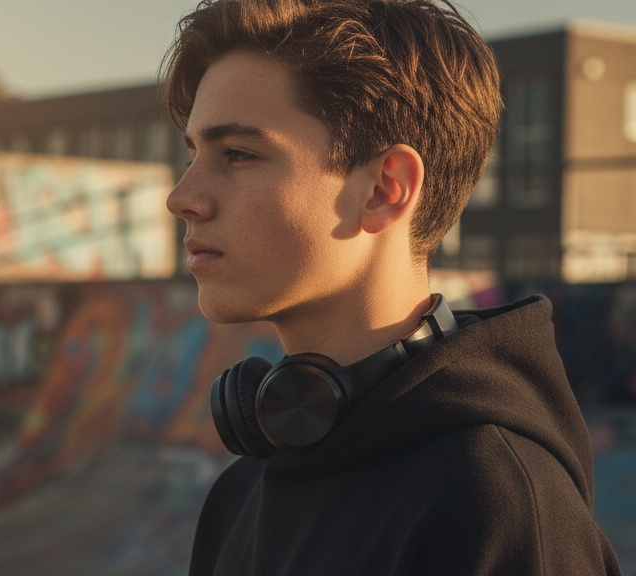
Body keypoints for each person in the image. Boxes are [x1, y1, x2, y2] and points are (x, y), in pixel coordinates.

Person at [161, 0, 622, 574]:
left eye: (237, 154)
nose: (182, 197)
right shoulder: (240, 495)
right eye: (193, 153)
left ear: (385, 188)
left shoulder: (495, 502)